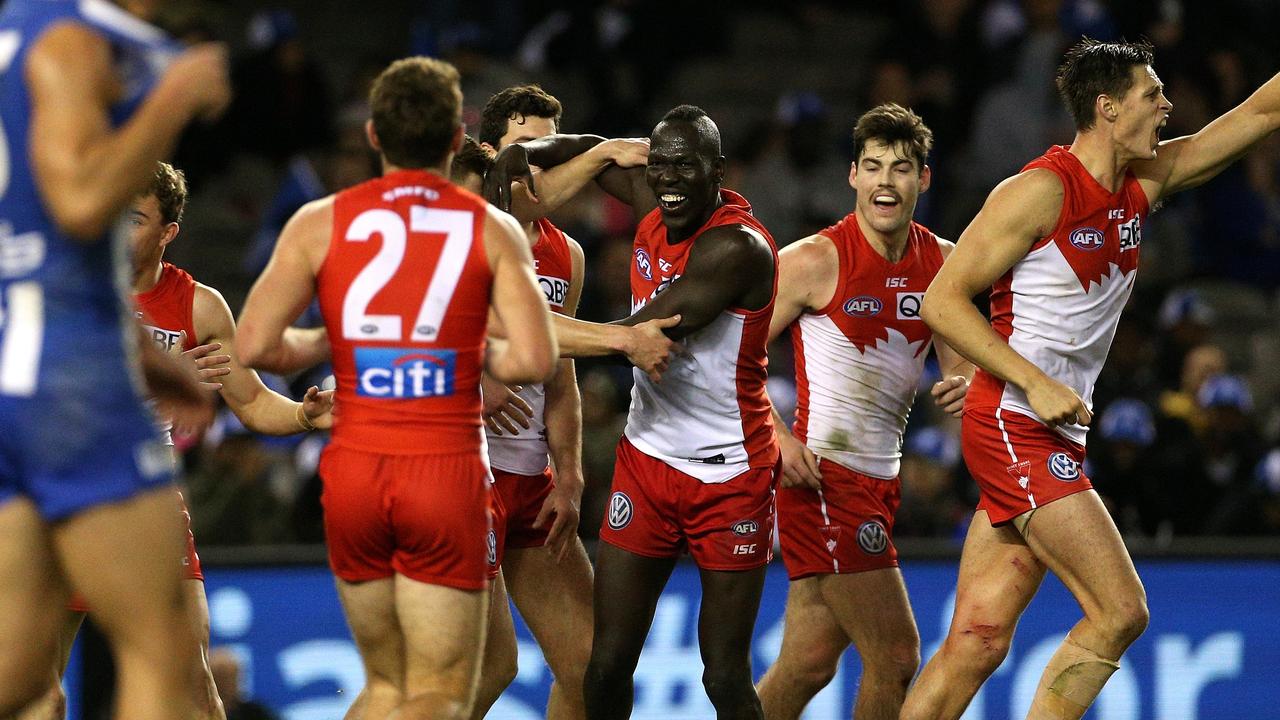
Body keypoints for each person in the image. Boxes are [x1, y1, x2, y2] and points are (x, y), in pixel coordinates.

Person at [901, 38, 1280, 720]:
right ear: (1107, 109)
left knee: (976, 643)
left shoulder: (1146, 181)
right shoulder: (1039, 190)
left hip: (1048, 431)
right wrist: (1034, 382)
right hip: (1016, 421)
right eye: (1151, 94)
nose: (1167, 105)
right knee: (1120, 610)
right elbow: (941, 301)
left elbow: (1256, 115)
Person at [235, 57, 558, 720]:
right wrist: (456, 341)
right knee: (437, 690)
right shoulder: (488, 227)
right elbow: (532, 357)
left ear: (374, 136)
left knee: (385, 685)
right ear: (454, 139)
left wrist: (335, 338)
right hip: (441, 468)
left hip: (354, 468)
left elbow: (257, 346)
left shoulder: (319, 221)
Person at [488, 104, 781, 720]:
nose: (670, 180)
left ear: (718, 172)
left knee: (723, 671)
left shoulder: (736, 248)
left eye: (686, 168)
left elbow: (638, 334)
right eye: (661, 165)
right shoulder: (659, 197)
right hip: (646, 462)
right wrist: (531, 153)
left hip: (729, 472)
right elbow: (596, 146)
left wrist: (518, 334)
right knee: (606, 661)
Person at [15, 161, 335, 720]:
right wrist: (165, 372)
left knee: (193, 685)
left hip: (145, 500)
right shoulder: (65, 281)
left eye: (135, 219)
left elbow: (253, 402)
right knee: (39, 694)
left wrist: (307, 417)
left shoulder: (199, 306)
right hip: (57, 497)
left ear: (168, 233)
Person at [0, 1, 230, 718]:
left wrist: (142, 352)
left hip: (22, 358)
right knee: (160, 648)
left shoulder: (21, 26)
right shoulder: (72, 41)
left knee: (17, 671)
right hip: (71, 378)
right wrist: (172, 96)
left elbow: (35, 237)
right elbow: (77, 203)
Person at [753, 103, 971, 720]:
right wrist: (773, 436)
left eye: (900, 169)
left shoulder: (944, 264)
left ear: (923, 180)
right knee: (897, 657)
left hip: (880, 480)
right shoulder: (814, 260)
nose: (885, 182)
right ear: (851, 176)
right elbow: (727, 362)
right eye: (872, 167)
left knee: (808, 663)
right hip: (824, 478)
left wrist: (964, 382)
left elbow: (962, 362)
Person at [464, 85, 647, 720]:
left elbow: (560, 371)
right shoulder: (469, 227)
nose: (538, 167)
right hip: (466, 472)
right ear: (490, 156)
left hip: (529, 478)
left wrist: (568, 473)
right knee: (487, 669)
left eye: (549, 151)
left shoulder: (565, 252)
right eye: (523, 151)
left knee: (596, 669)